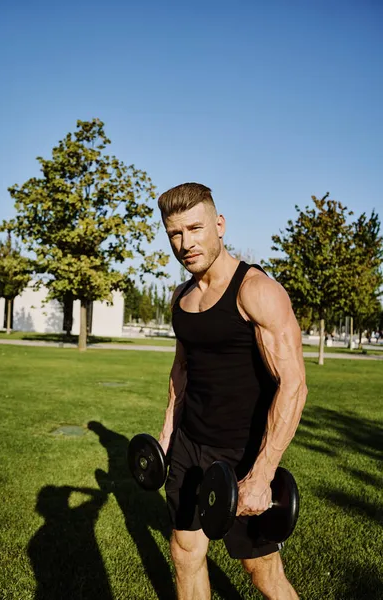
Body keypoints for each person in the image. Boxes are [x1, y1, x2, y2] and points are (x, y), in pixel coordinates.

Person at [157, 183, 307, 600]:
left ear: (219, 225)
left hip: (239, 450)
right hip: (189, 443)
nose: (185, 243)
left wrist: (262, 474)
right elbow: (181, 370)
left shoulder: (255, 291)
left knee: (261, 571)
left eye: (194, 228)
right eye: (174, 233)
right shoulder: (181, 297)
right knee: (185, 552)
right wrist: (168, 433)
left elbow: (294, 385)